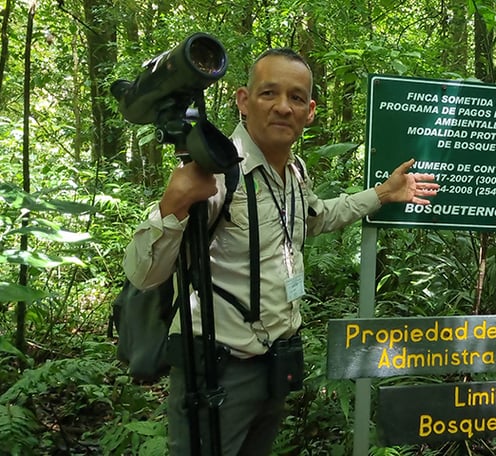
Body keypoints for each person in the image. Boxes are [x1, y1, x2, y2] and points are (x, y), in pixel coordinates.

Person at [122, 47, 439, 455]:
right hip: (217, 372)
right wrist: (172, 207)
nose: (282, 108)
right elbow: (143, 275)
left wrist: (382, 193)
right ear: (243, 100)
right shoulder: (215, 173)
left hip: (276, 362)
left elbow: (316, 218)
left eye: (295, 98)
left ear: (310, 111)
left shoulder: (294, 171)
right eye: (269, 93)